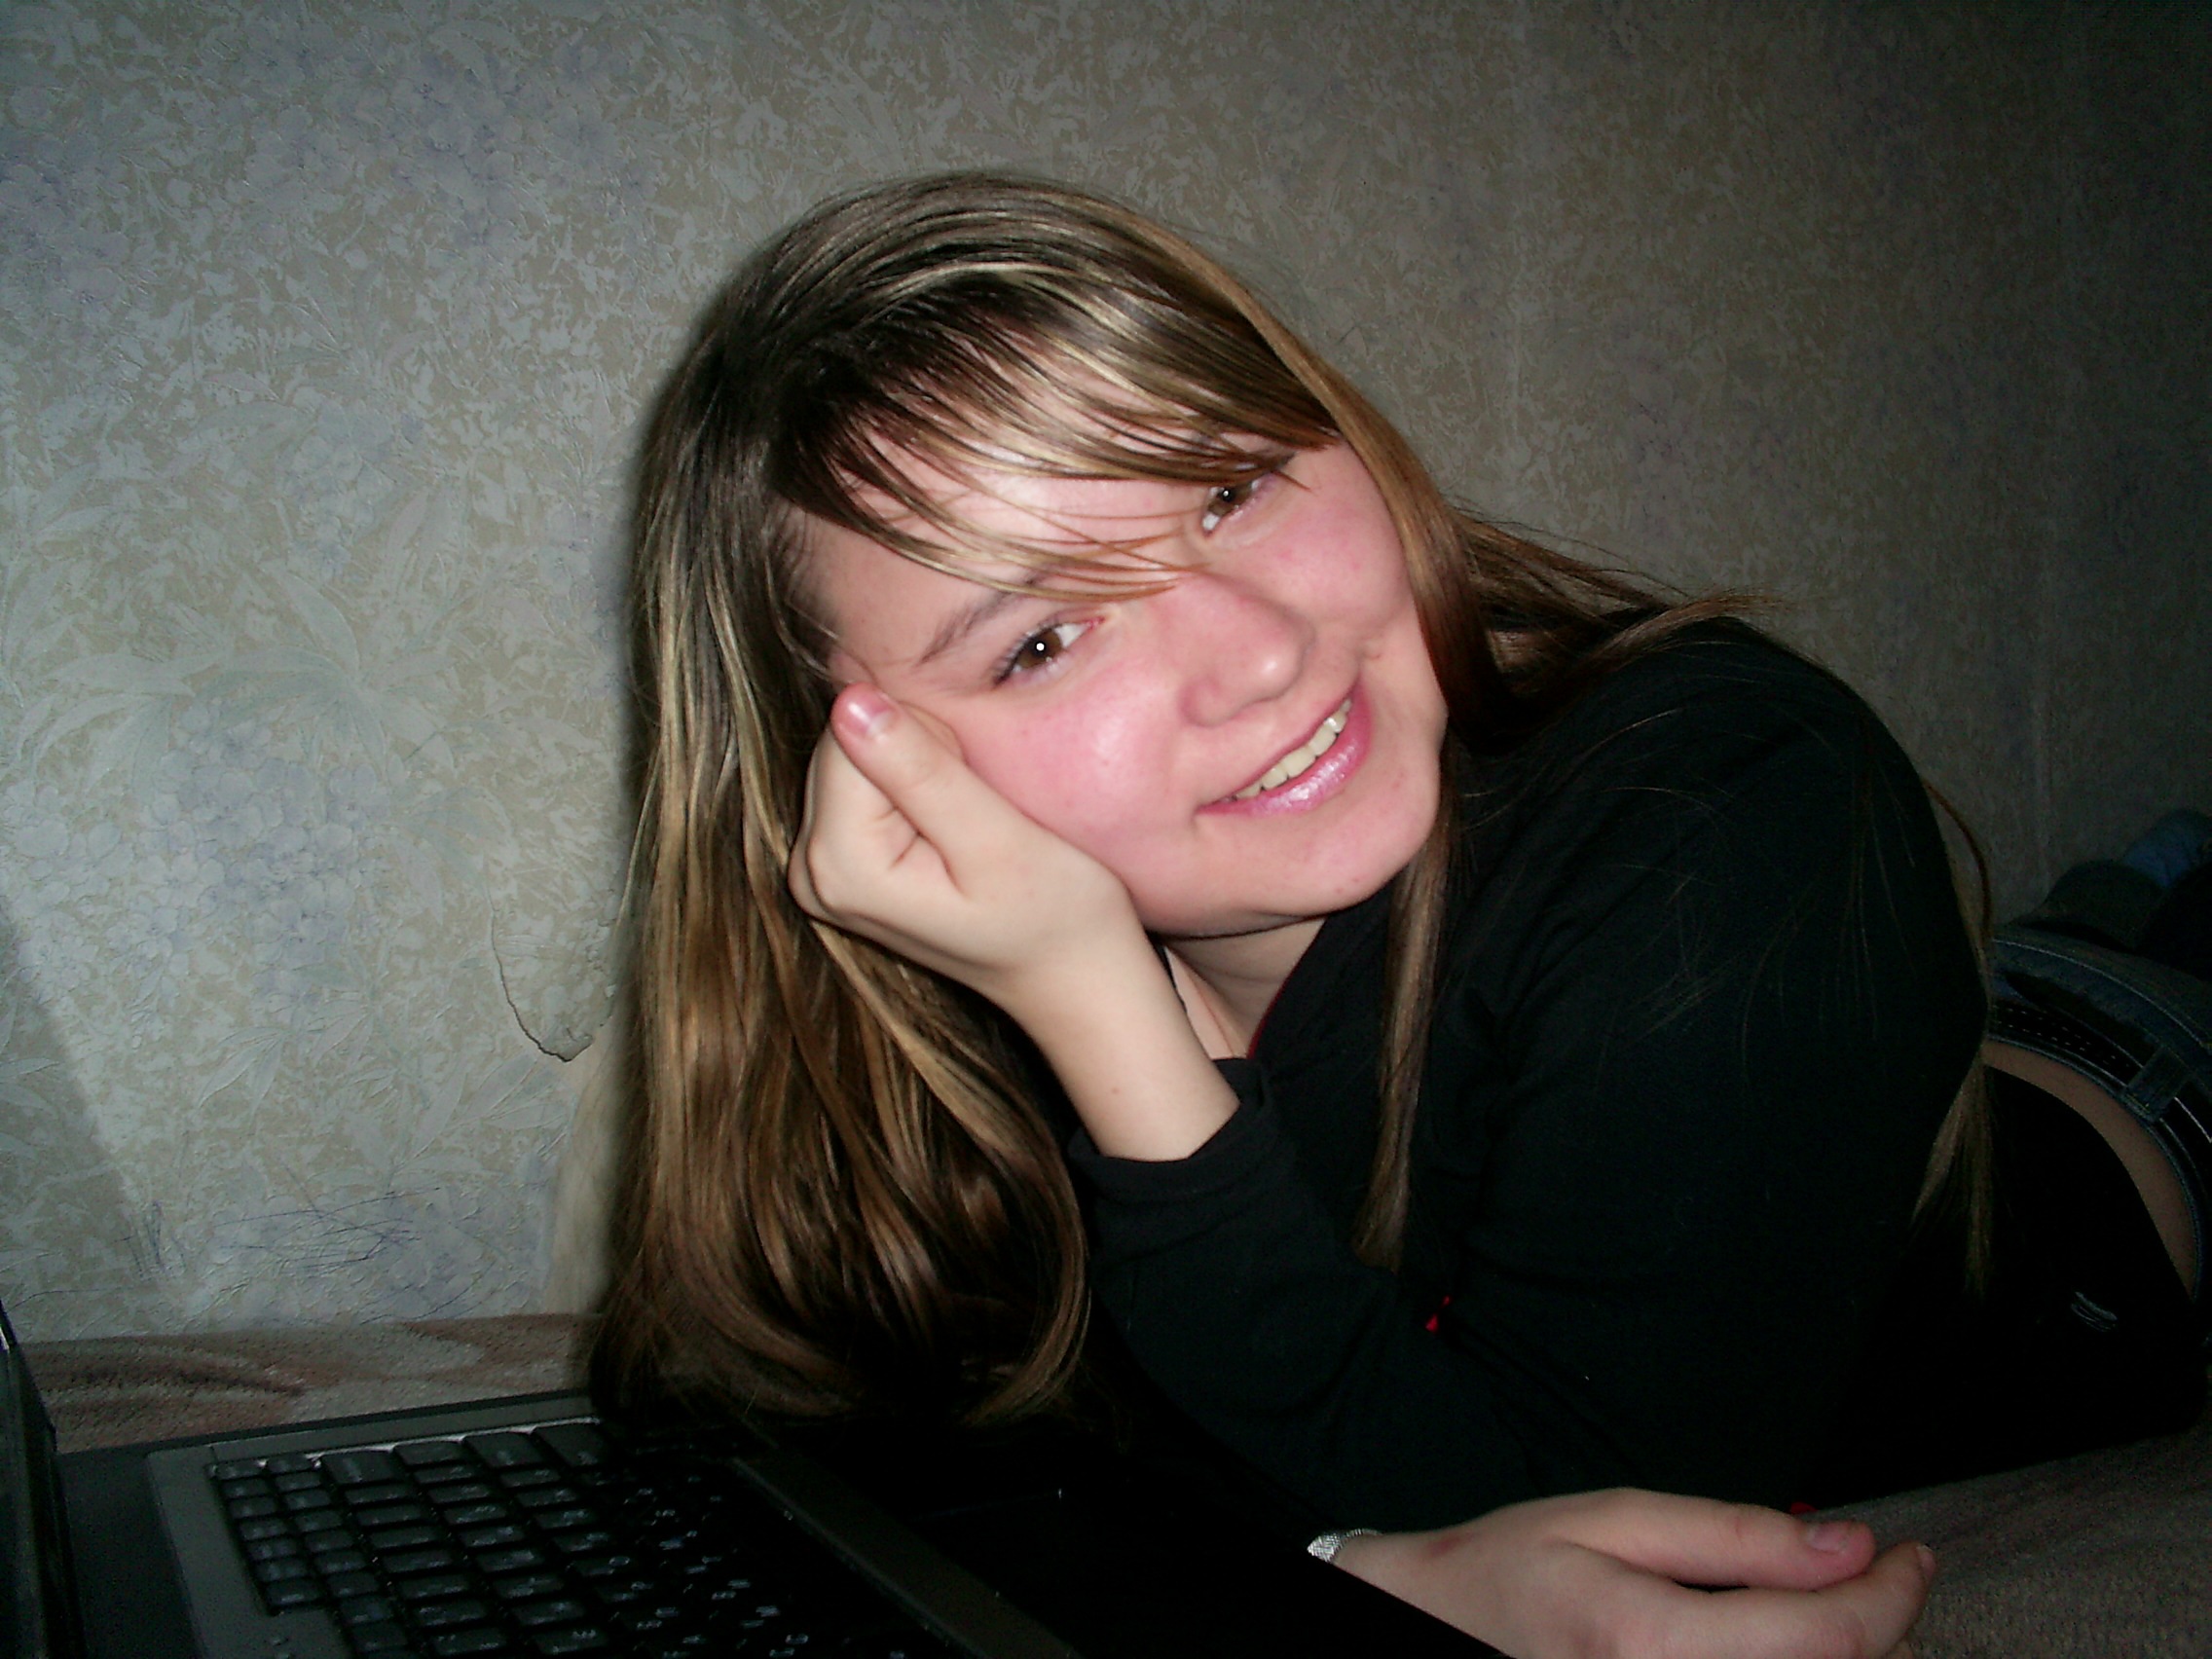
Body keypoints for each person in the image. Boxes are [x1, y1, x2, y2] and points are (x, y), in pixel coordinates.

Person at [591, 173, 2205, 1657]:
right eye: (1042, 641)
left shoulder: (1722, 796)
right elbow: (760, 1424)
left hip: (2119, 1096)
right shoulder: (952, 957)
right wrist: (1338, 1566)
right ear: (858, 778)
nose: (1260, 650)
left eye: (1228, 488)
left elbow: (1573, 1528)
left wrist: (1117, 1037)